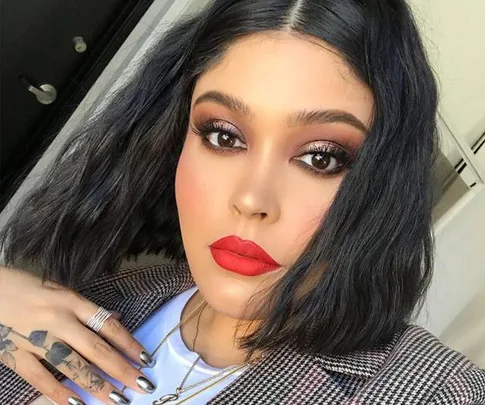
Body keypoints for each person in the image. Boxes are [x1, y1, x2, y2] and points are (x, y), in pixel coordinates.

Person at [0, 0, 484, 404]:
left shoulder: (436, 390)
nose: (252, 199)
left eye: (322, 158)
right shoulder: (100, 297)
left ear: (386, 185)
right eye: (223, 135)